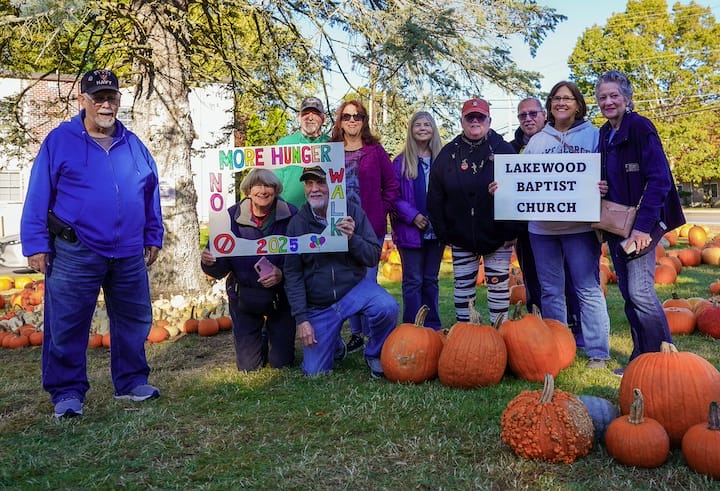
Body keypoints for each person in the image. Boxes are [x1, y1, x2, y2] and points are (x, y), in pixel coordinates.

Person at [20, 69, 164, 418]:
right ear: (82, 100)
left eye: (111, 97)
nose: (105, 104)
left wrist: (153, 234)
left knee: (133, 320)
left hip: (128, 250)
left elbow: (150, 193)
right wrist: (35, 243)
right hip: (74, 249)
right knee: (67, 324)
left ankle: (130, 383)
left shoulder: (134, 144)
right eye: (97, 97)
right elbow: (39, 193)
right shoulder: (59, 141)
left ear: (118, 101)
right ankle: (67, 393)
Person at [595, 70, 685, 373]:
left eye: (613, 95)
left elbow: (659, 180)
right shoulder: (604, 134)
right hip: (615, 224)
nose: (608, 102)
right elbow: (607, 174)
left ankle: (665, 360)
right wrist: (600, 184)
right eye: (602, 97)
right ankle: (640, 358)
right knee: (629, 293)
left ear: (626, 97)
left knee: (641, 291)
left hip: (643, 222)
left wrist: (642, 229)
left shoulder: (640, 127)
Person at [521, 81, 611, 369]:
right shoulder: (536, 141)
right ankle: (558, 348)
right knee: (550, 291)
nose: (562, 103)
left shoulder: (593, 136)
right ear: (550, 104)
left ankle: (598, 352)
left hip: (580, 228)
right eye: (557, 98)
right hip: (542, 230)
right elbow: (522, 181)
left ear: (578, 104)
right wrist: (504, 189)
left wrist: (604, 186)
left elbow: (607, 172)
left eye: (568, 98)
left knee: (588, 288)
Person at [283, 166, 399, 378]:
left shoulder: (352, 212)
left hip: (353, 290)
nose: (314, 189)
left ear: (333, 186)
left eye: (321, 183)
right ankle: (334, 343)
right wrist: (302, 319)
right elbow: (293, 274)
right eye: (309, 184)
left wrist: (352, 239)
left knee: (387, 306)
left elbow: (373, 256)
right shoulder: (298, 223)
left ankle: (374, 353)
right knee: (315, 373)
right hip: (319, 303)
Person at [427, 98, 519, 324]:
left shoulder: (504, 150)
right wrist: (443, 232)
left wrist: (512, 231)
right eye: (470, 117)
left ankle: (500, 335)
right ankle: (466, 333)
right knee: (463, 288)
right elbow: (435, 196)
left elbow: (518, 193)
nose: (475, 121)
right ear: (462, 121)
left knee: (498, 288)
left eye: (480, 117)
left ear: (489, 120)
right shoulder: (448, 154)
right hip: (461, 236)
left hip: (497, 236)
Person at [201, 169, 297, 371]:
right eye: (257, 185)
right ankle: (259, 336)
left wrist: (281, 273)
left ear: (276, 189)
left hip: (281, 296)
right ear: (248, 190)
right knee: (248, 367)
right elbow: (219, 269)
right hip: (244, 294)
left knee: (282, 363)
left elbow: (303, 258)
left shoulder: (291, 215)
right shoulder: (228, 217)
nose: (263, 190)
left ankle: (276, 336)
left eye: (268, 186)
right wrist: (210, 262)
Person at [508, 98, 584, 347]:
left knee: (571, 277)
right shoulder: (510, 149)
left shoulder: (564, 140)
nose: (528, 119)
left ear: (543, 115)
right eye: (522, 116)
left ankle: (576, 326)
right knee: (533, 278)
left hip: (566, 223)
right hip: (528, 227)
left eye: (533, 114)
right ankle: (540, 326)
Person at [329, 100, 399, 353]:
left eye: (357, 116)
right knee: (344, 279)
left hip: (369, 226)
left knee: (367, 278)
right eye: (347, 116)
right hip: (337, 225)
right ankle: (356, 334)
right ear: (340, 120)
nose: (352, 120)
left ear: (364, 120)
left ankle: (371, 332)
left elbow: (391, 184)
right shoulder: (330, 149)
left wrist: (381, 208)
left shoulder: (374, 150)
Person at [390, 111, 444, 329]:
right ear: (411, 131)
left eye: (427, 124)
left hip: (436, 230)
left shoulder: (443, 160)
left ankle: (432, 326)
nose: (422, 128)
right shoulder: (401, 162)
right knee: (413, 281)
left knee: (430, 280)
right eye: (418, 125)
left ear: (433, 130)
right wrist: (412, 216)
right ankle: (412, 328)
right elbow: (392, 196)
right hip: (410, 230)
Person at [276, 96, 330, 208]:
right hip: (289, 216)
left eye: (315, 113)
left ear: (323, 118)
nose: (310, 117)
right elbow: (274, 183)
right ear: (299, 117)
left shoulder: (332, 144)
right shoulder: (284, 144)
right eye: (306, 113)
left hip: (324, 215)